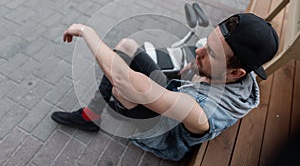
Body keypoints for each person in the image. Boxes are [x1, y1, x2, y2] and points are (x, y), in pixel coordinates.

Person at [51, 13, 279, 161]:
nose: (199, 50)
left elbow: (125, 82)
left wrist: (87, 32)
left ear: (235, 73)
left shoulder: (205, 110)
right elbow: (191, 65)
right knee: (126, 46)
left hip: (163, 135)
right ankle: (91, 116)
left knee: (123, 91)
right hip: (174, 93)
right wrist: (194, 67)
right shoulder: (232, 73)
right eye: (207, 44)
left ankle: (95, 115)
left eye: (210, 53)